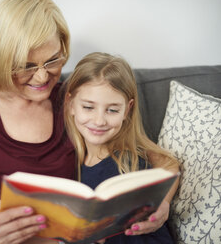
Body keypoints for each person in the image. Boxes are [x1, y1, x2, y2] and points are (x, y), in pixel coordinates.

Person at [0, 0, 178, 243]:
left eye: (52, 59)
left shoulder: (75, 104)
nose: (43, 77)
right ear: (0, 60)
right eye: (27, 65)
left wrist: (163, 206)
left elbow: (159, 160)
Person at [62, 52, 179, 243]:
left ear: (127, 109)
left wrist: (164, 203)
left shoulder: (129, 161)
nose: (99, 121)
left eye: (112, 110)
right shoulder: (70, 158)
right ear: (71, 104)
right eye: (88, 107)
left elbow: (169, 163)